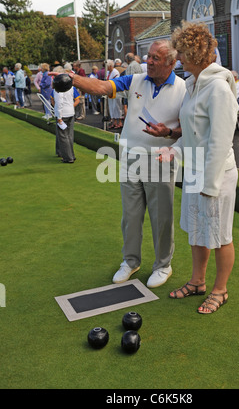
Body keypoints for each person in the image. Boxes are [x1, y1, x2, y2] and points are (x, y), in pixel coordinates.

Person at [60, 39, 186, 288]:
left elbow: (189, 130)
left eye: (155, 58)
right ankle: (130, 261)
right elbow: (101, 87)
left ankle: (163, 265)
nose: (148, 61)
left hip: (161, 159)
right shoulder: (135, 79)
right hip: (130, 157)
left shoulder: (184, 89)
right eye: (148, 56)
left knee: (161, 217)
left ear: (171, 63)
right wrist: (72, 78)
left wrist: (168, 133)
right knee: (130, 215)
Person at [158, 22, 238, 314]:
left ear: (194, 54)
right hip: (193, 172)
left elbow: (219, 141)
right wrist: (174, 150)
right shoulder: (193, 84)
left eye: (180, 52)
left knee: (219, 235)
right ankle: (198, 282)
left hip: (215, 175)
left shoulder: (217, 88)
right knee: (196, 230)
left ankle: (220, 290)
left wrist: (210, 185)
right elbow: (193, 134)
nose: (177, 58)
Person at [50, 68, 81, 163]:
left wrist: (59, 117)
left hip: (63, 114)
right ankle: (71, 155)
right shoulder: (71, 87)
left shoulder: (58, 90)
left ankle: (68, 157)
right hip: (71, 113)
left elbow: (58, 104)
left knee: (63, 136)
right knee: (69, 135)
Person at [106, 59, 122, 129]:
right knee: (112, 107)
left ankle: (120, 122)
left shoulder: (116, 72)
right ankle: (114, 122)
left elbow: (116, 82)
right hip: (110, 92)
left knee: (117, 106)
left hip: (116, 91)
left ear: (110, 66)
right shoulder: (108, 72)